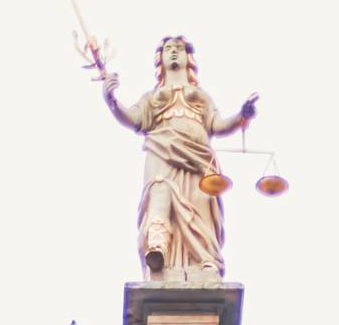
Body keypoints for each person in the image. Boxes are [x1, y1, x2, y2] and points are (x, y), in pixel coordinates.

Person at [103, 35, 258, 278]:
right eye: (168, 49)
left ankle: (205, 261)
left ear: (189, 58)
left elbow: (217, 124)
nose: (173, 53)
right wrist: (111, 100)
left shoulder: (201, 96)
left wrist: (242, 115)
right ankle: (158, 252)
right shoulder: (152, 97)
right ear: (160, 59)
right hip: (161, 151)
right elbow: (133, 118)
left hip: (198, 159)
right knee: (159, 192)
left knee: (200, 205)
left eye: (179, 49)